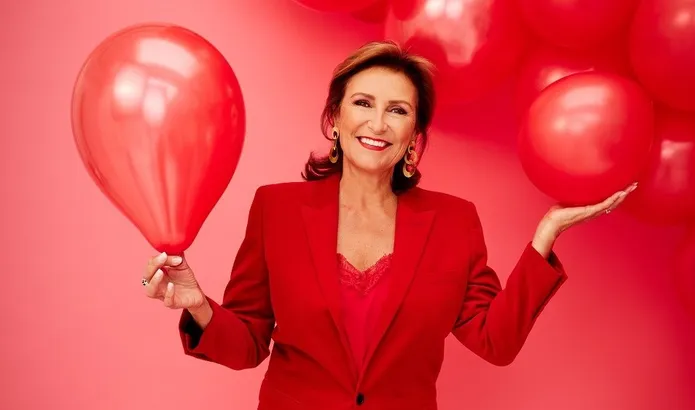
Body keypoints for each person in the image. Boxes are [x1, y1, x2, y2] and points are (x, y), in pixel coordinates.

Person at [141, 41, 636, 410]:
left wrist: (546, 234)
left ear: (413, 137)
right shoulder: (276, 208)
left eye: (397, 111)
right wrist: (199, 305)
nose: (378, 124)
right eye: (363, 103)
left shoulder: (454, 221)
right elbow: (249, 346)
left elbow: (495, 341)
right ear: (334, 120)